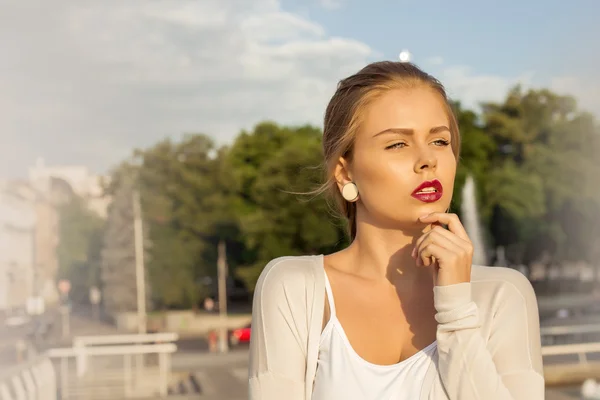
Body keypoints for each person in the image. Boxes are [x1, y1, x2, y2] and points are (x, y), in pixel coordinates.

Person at [248, 61, 544, 399]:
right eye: (397, 145)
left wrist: (456, 311)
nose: (427, 160)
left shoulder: (504, 295)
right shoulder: (294, 288)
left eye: (439, 141)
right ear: (345, 173)